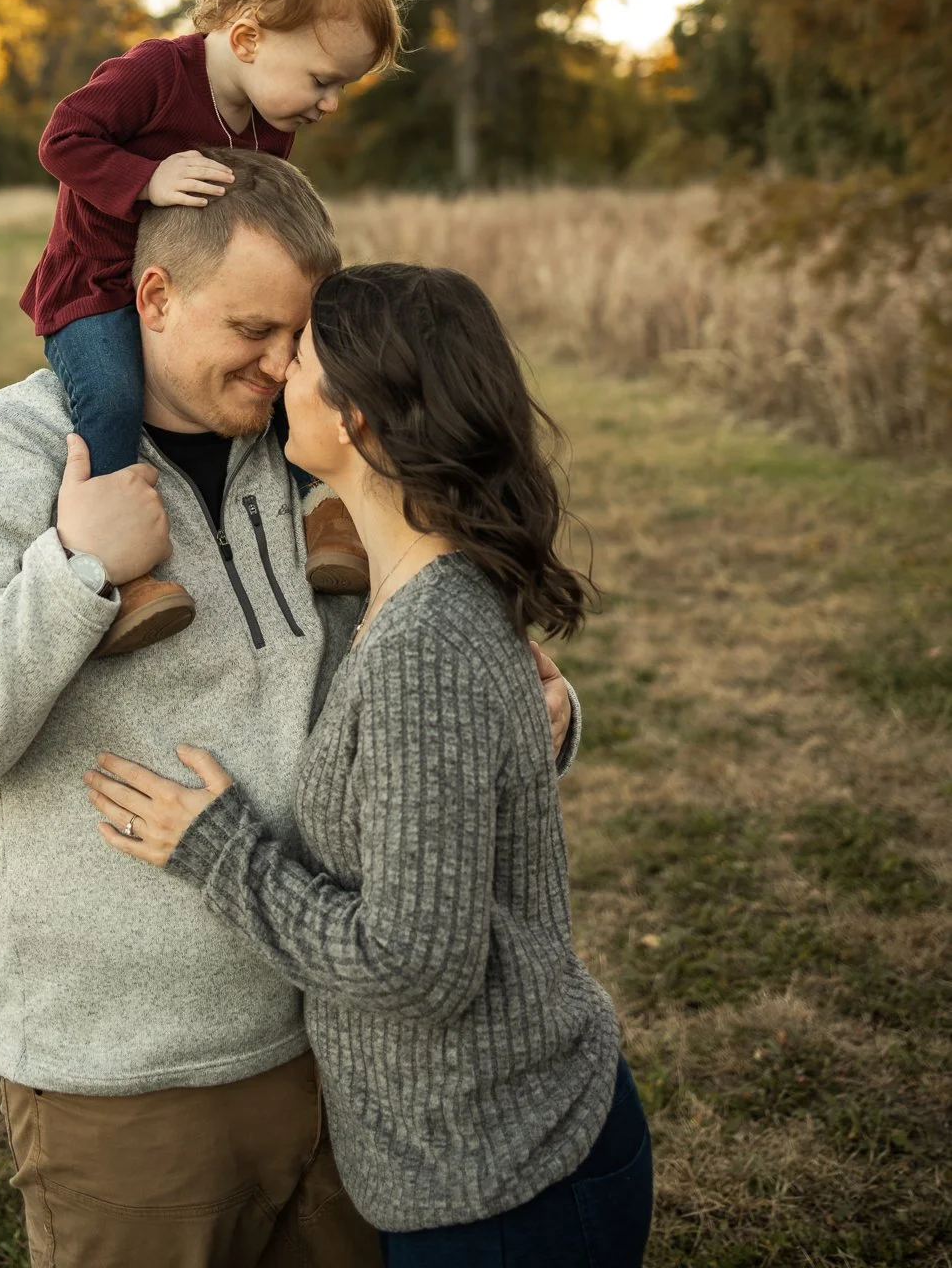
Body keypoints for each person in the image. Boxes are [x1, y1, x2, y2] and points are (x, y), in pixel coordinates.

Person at [0, 153, 581, 1268]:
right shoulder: (3, 454)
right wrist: (73, 573)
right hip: (135, 1085)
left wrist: (536, 718)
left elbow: (414, 673)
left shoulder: (313, 451)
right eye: (254, 328)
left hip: (351, 1050)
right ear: (154, 296)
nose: (284, 362)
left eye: (301, 333)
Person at [85, 262, 653, 1268]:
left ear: (353, 420)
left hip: (506, 1182)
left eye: (300, 357)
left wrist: (219, 852)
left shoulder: (421, 646)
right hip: (490, 1158)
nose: (277, 372)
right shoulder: (417, 590)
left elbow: (414, 966)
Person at [19, 0, 405, 655]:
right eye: (322, 80)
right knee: (111, 395)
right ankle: (125, 571)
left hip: (199, 289)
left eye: (340, 88)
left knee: (290, 368)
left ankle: (324, 510)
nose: (329, 104)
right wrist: (146, 178)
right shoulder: (154, 74)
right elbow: (61, 139)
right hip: (100, 283)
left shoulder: (268, 119)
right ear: (249, 39)